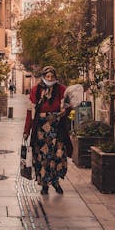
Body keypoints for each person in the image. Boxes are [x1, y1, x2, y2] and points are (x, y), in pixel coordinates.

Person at [23, 66, 68, 195]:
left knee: (57, 156)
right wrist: (27, 130)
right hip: (41, 131)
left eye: (52, 77)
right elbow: (29, 112)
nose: (49, 79)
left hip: (57, 129)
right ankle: (44, 185)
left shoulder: (61, 90)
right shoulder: (35, 90)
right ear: (43, 76)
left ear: (55, 77)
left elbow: (67, 106)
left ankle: (55, 181)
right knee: (43, 158)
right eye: (47, 76)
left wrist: (65, 110)